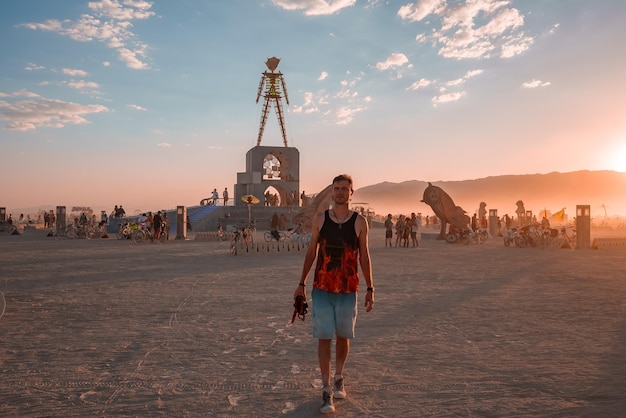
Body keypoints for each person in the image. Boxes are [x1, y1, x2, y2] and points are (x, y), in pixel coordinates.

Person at [294, 174, 374, 414]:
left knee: (343, 336)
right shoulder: (320, 219)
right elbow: (311, 252)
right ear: (331, 191)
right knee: (324, 336)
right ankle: (327, 389)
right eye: (336, 188)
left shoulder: (360, 222)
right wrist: (301, 283)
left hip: (348, 288)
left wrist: (370, 288)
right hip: (322, 287)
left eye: (344, 189)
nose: (340, 192)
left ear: (351, 192)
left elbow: (365, 256)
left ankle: (339, 376)